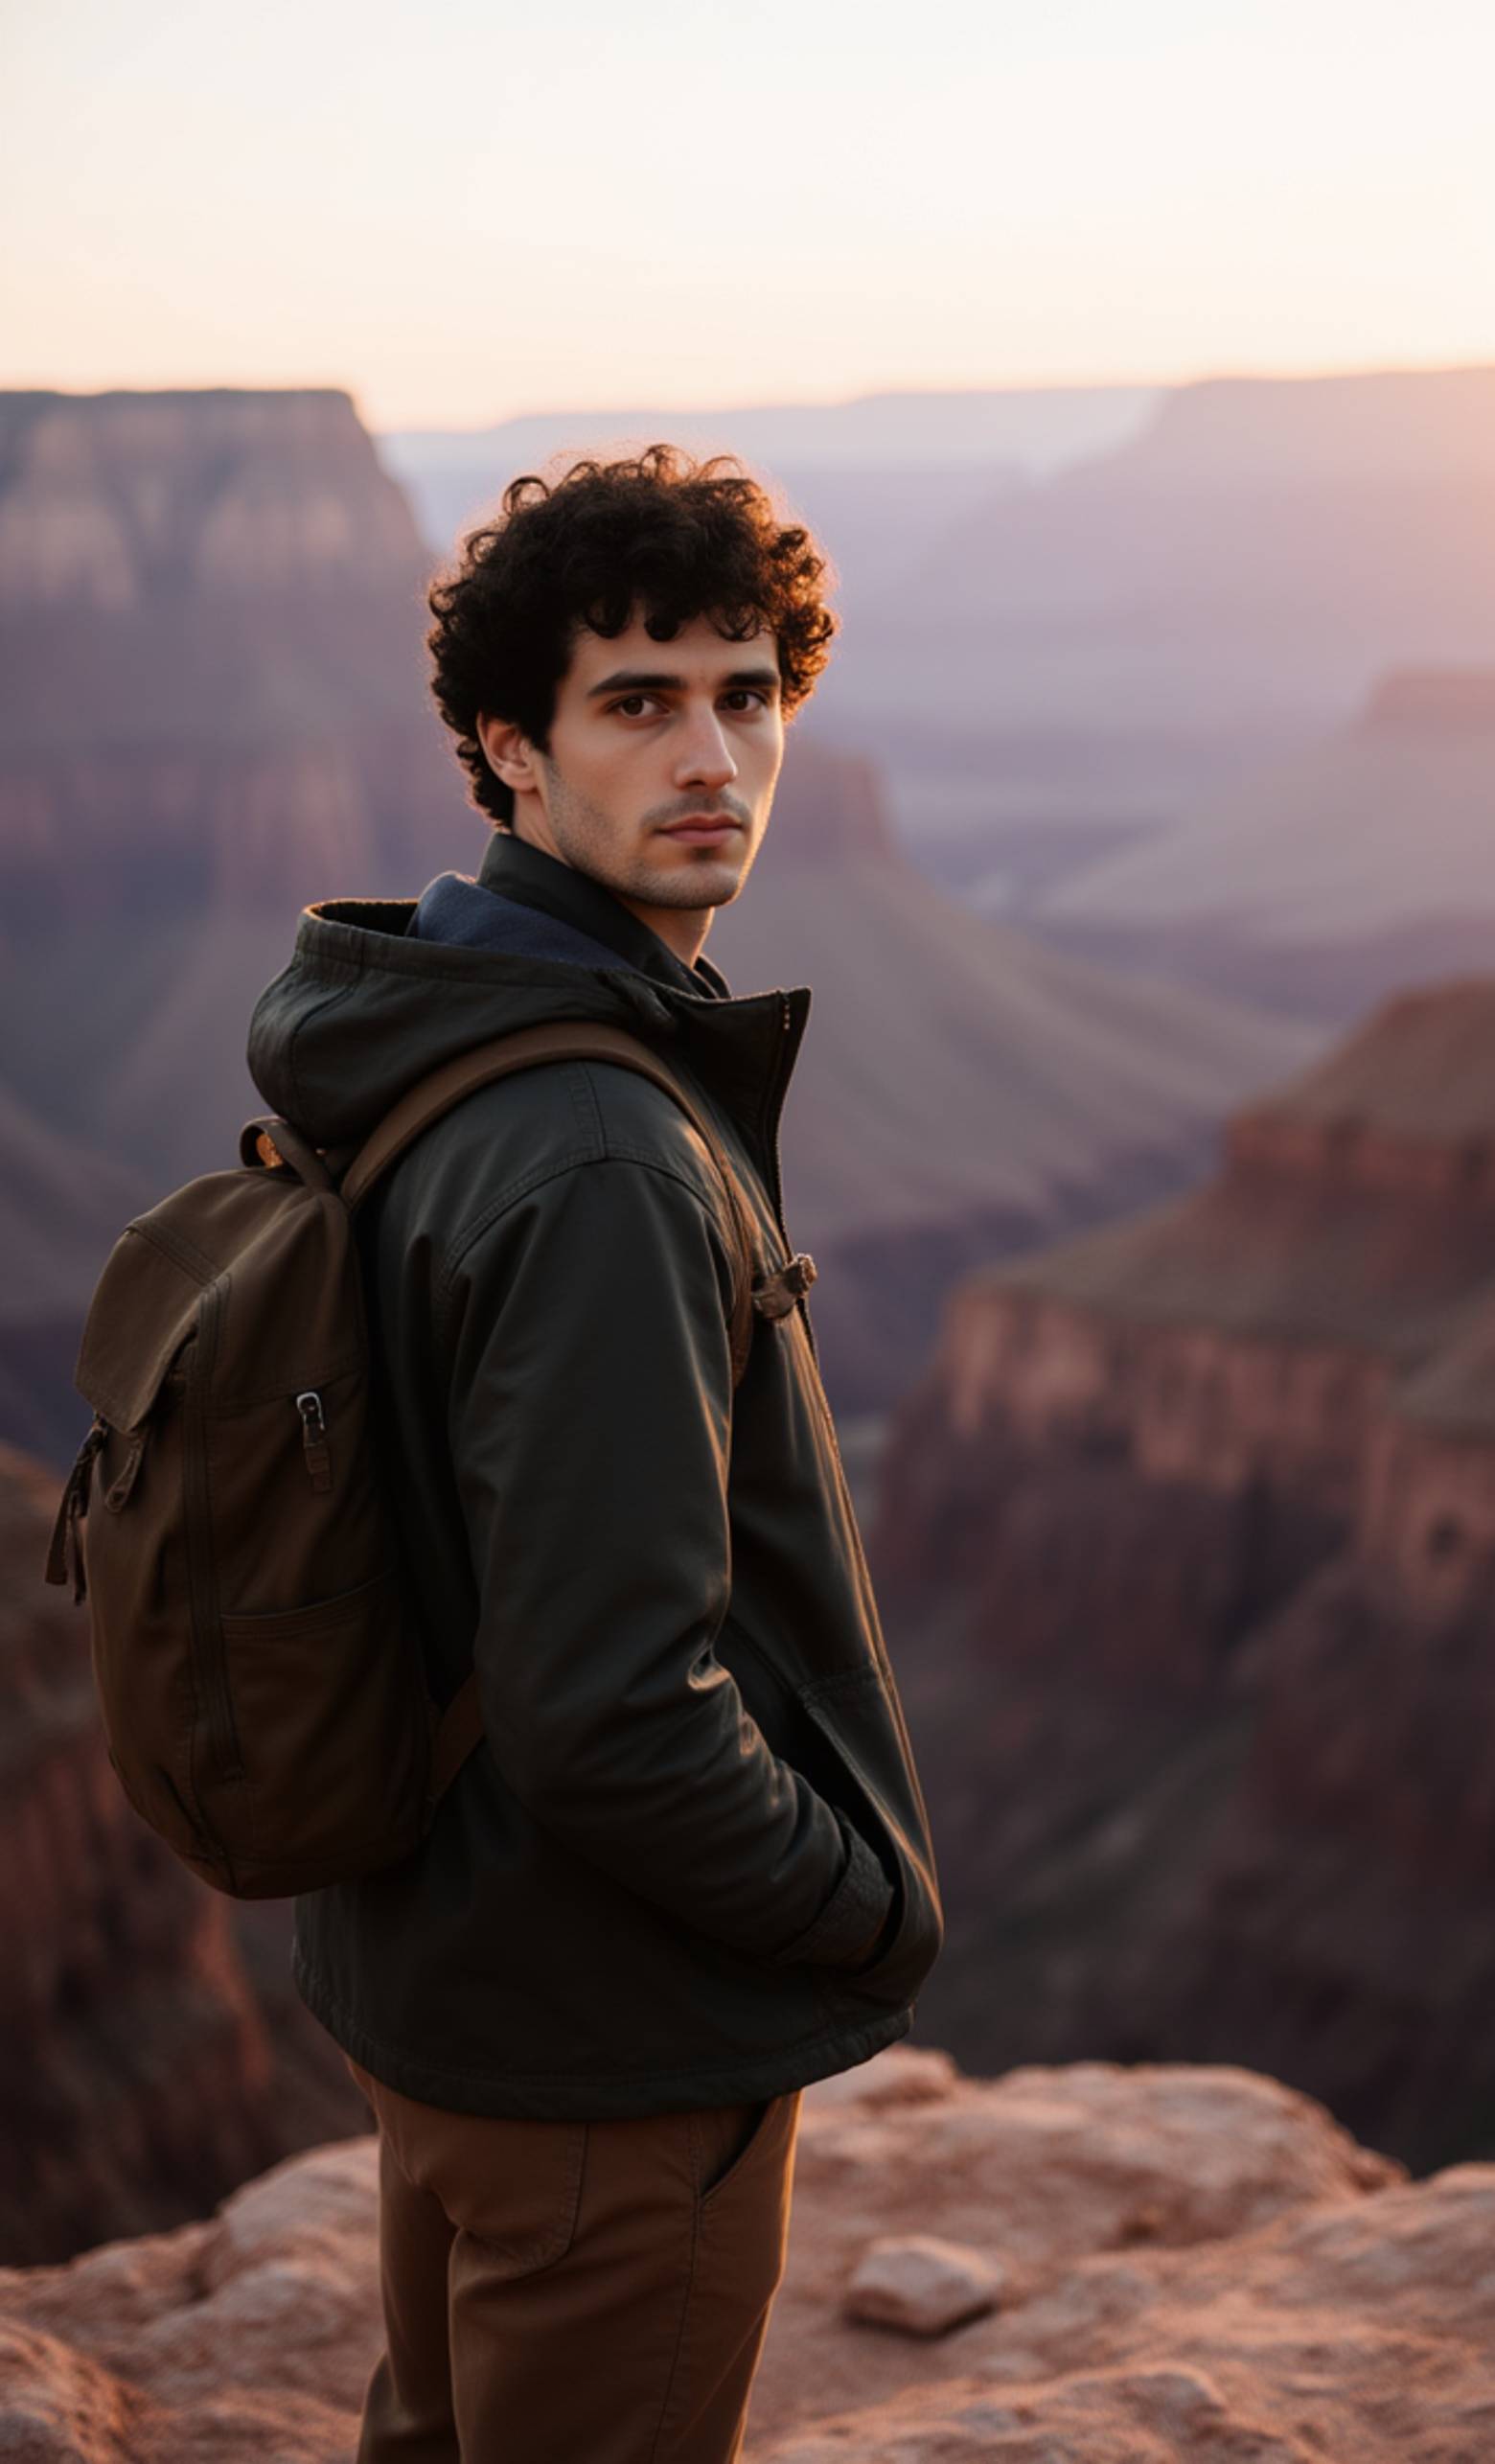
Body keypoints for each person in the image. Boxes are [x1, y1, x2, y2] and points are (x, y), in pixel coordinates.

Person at [245, 447, 943, 2463]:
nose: (712, 749)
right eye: (637, 701)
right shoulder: (604, 1148)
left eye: (748, 690)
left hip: (460, 1987)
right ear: (511, 751)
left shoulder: (432, 1029)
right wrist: (857, 1898)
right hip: (611, 2059)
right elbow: (614, 1704)